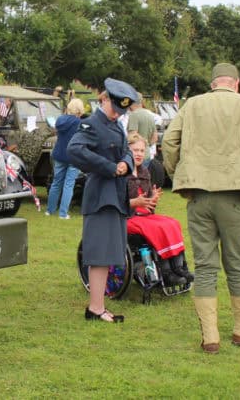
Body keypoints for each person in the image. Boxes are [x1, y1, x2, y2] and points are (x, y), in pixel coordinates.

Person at [161, 63, 240, 353]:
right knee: (237, 263)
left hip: (199, 194)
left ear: (213, 84)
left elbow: (169, 142)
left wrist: (180, 176)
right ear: (236, 83)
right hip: (236, 193)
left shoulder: (192, 105)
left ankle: (210, 337)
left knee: (205, 265)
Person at [68, 78, 139, 324]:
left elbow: (127, 151)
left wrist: (126, 164)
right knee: (99, 254)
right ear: (105, 99)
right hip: (101, 197)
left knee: (108, 253)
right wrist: (110, 167)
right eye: (114, 108)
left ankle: (97, 306)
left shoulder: (116, 125)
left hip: (116, 197)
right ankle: (95, 308)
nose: (117, 114)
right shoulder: (91, 124)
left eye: (121, 111)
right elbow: (74, 150)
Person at [124, 132, 193, 285]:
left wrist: (152, 198)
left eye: (142, 151)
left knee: (172, 223)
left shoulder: (144, 172)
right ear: (127, 151)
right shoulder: (122, 172)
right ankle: (166, 272)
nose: (139, 154)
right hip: (127, 216)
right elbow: (116, 202)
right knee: (158, 227)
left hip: (144, 215)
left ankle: (179, 267)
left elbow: (148, 203)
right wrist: (136, 202)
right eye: (135, 150)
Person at [46, 98, 85, 219]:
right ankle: (63, 213)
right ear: (80, 110)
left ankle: (50, 210)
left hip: (59, 154)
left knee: (56, 183)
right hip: (73, 156)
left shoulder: (60, 120)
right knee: (69, 184)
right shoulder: (79, 123)